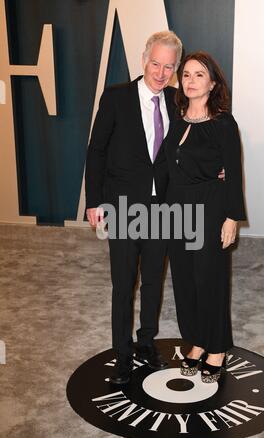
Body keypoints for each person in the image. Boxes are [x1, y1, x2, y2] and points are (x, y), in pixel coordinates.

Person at [85, 31, 183, 384]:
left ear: (175, 69)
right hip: (124, 208)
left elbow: (186, 151)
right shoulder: (116, 98)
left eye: (168, 66)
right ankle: (122, 356)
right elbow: (96, 151)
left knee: (154, 282)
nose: (160, 72)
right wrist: (94, 201)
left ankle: (146, 343)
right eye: (155, 63)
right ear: (144, 59)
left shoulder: (177, 101)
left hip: (163, 211)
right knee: (123, 284)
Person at [164, 51, 246, 383]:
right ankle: (196, 341)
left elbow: (234, 173)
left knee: (209, 279)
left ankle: (217, 348)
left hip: (210, 207)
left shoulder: (223, 123)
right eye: (186, 75)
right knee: (184, 280)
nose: (191, 80)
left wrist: (232, 217)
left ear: (212, 83)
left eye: (199, 75)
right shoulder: (176, 116)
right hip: (176, 207)